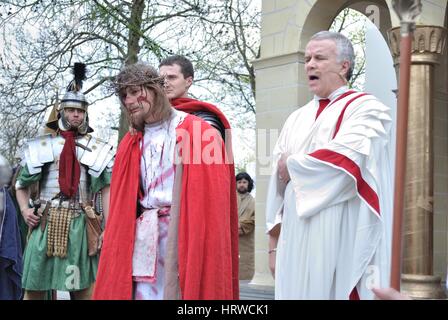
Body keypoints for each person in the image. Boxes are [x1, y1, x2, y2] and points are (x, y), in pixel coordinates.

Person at [92, 62, 239, 300]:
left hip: (186, 233)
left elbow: (213, 202)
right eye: (124, 95)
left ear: (155, 90)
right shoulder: (130, 143)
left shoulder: (199, 131)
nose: (128, 100)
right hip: (143, 237)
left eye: (135, 91)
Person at [265, 31, 393, 299]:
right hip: (294, 234)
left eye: (320, 58)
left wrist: (294, 165)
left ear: (344, 66)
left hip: (339, 226)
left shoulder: (367, 108)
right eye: (308, 58)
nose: (310, 64)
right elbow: (276, 183)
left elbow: (348, 162)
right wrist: (273, 246)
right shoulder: (295, 118)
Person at [14, 63, 113, 300]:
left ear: (85, 113)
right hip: (46, 221)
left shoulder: (96, 148)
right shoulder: (43, 146)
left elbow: (107, 189)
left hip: (81, 224)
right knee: (35, 289)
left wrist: (107, 228)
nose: (75, 115)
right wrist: (25, 209)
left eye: (79, 111)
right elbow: (20, 185)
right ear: (62, 112)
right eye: (70, 110)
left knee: (83, 291)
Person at [159, 55, 227, 141]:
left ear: (188, 81)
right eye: (160, 79)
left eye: (172, 77)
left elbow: (212, 152)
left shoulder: (204, 119)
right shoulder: (151, 117)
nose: (165, 83)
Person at [236, 172, 255, 280]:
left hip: (246, 240)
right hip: (229, 237)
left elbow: (254, 219)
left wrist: (240, 226)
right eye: (239, 182)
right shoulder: (229, 199)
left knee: (245, 272)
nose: (242, 184)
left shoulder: (254, 201)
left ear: (249, 184)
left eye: (244, 182)